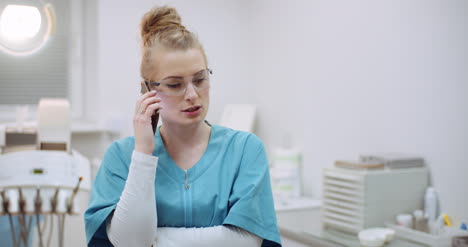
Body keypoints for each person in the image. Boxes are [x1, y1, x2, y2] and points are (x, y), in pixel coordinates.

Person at [84, 5, 281, 247]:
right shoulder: (121, 157)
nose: (192, 94)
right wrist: (143, 154)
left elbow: (246, 241)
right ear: (148, 90)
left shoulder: (244, 150)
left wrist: (155, 241)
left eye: (200, 79)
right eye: (175, 84)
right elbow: (131, 242)